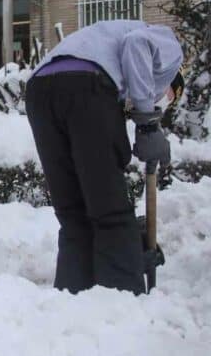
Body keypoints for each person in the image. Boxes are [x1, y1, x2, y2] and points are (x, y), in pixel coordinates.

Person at [25, 20, 184, 295]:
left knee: (74, 217)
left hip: (39, 91)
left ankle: (71, 306)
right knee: (110, 213)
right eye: (166, 98)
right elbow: (138, 44)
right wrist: (147, 123)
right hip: (85, 85)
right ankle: (121, 309)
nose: (159, 102)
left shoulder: (105, 41)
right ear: (170, 80)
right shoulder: (169, 50)